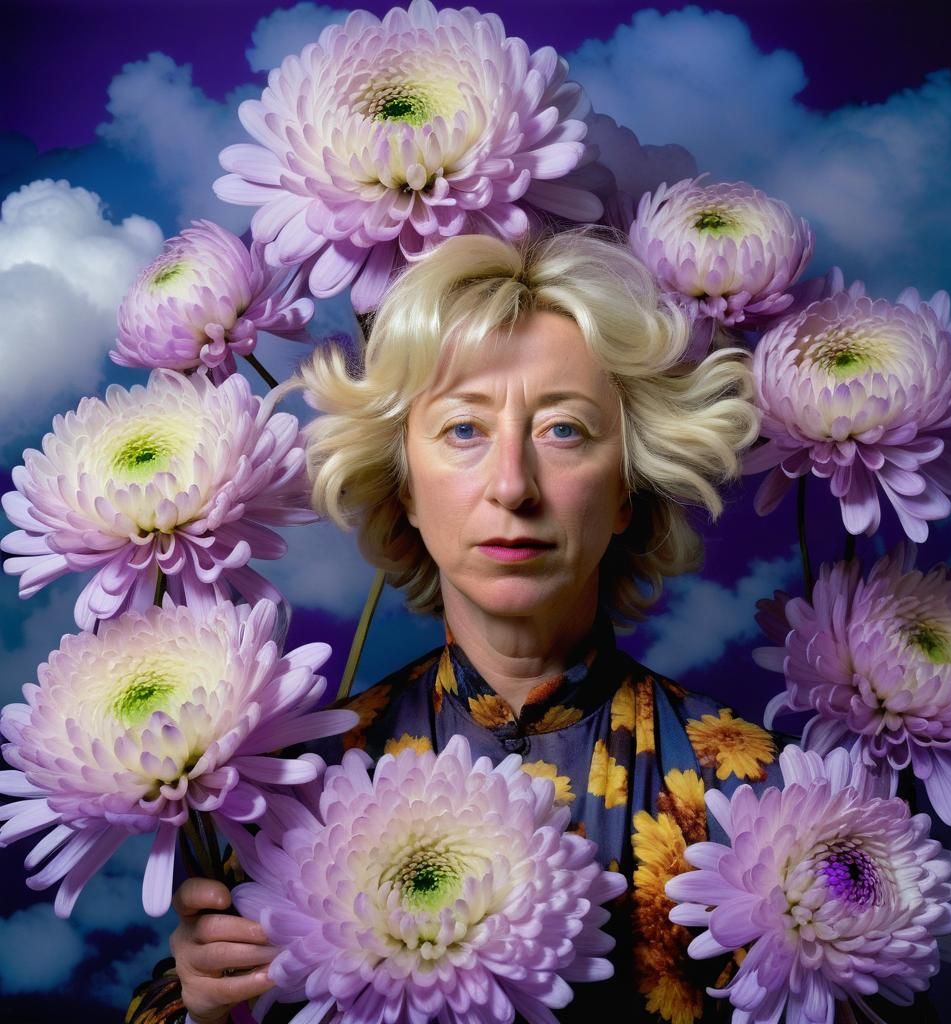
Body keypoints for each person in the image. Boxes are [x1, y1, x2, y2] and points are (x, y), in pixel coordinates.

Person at [126, 228, 784, 1024]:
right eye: (464, 429)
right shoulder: (302, 787)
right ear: (403, 485)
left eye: (564, 429)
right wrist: (201, 1002)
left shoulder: (749, 787)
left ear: (625, 492)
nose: (512, 484)